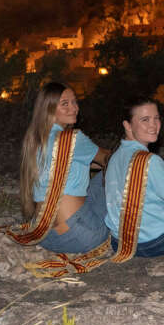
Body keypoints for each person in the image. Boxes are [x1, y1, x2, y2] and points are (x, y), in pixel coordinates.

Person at [18, 82, 111, 254]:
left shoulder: (35, 140)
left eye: (74, 102)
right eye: (65, 104)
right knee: (122, 170)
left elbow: (77, 163)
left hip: (45, 237)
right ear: (49, 109)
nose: (74, 108)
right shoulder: (71, 139)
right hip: (81, 236)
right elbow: (109, 159)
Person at [104, 97, 164, 258]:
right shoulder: (150, 161)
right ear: (127, 125)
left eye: (156, 118)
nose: (153, 125)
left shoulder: (114, 157)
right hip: (158, 243)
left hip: (120, 243)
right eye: (145, 120)